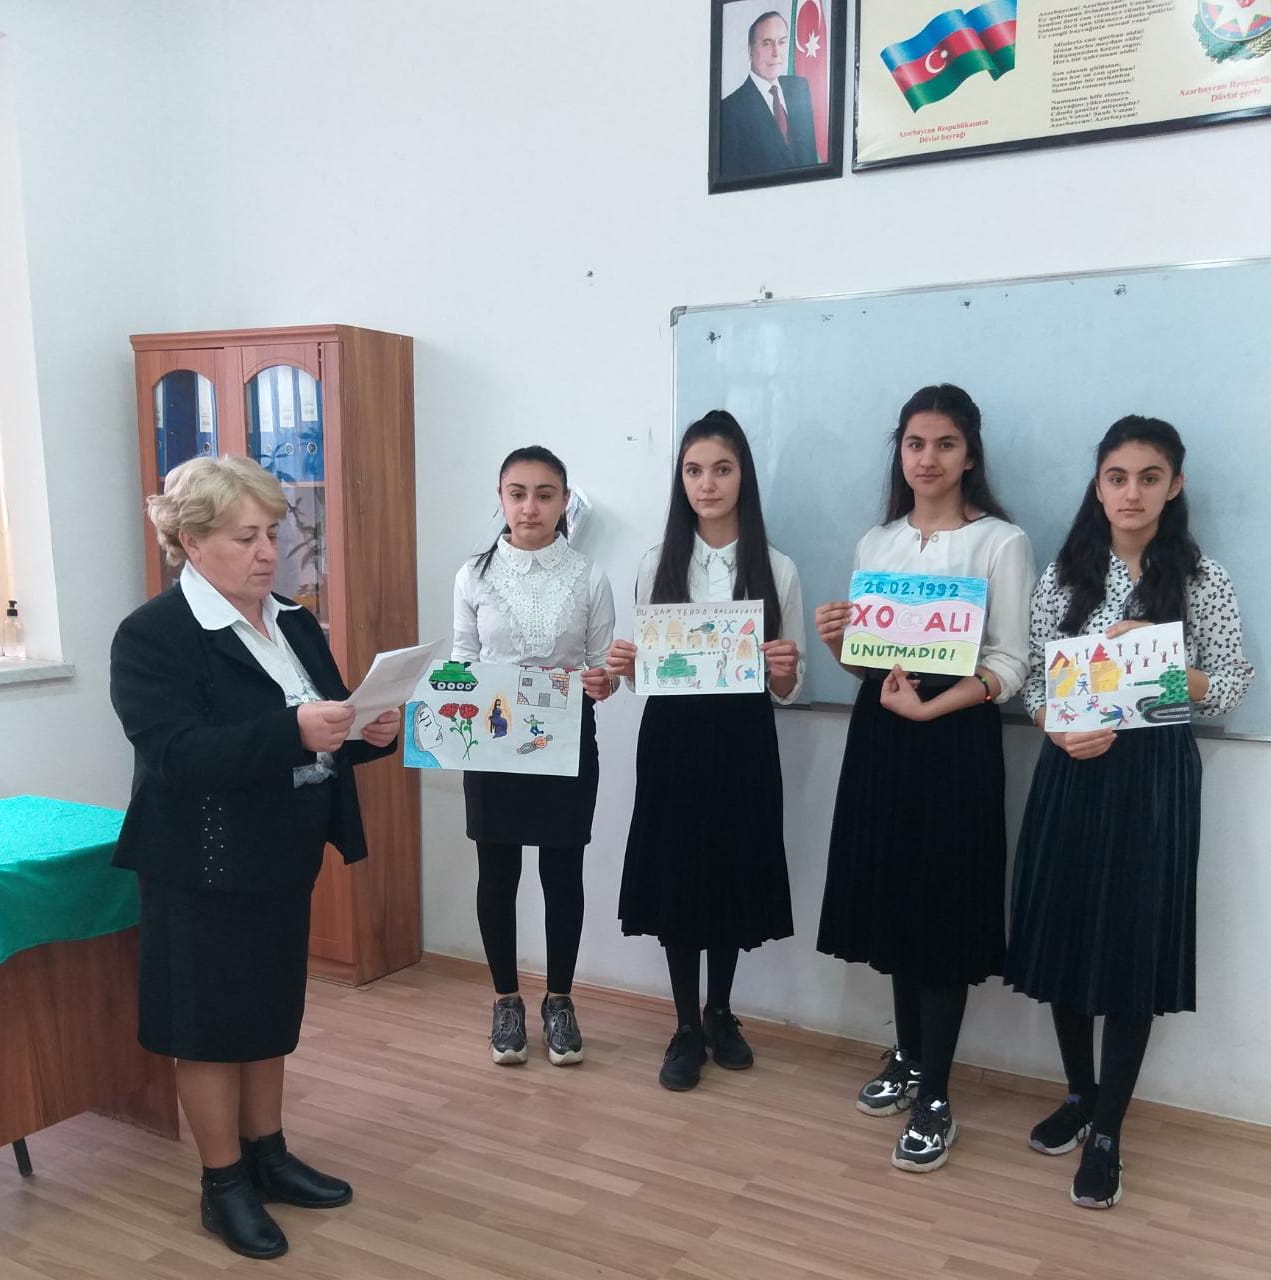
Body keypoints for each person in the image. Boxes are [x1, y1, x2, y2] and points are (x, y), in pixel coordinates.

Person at [109, 456, 400, 1260]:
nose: (269, 551)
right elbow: (177, 754)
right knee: (208, 1028)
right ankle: (223, 1182)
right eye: (246, 537)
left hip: (280, 854)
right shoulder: (153, 636)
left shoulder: (293, 621)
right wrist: (295, 731)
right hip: (199, 863)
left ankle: (267, 1154)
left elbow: (320, 728)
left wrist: (367, 731)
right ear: (190, 541)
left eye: (272, 532)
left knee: (267, 1013)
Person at [1004, 416, 1252, 1210]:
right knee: (1066, 935)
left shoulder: (1201, 578)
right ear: (1098, 485)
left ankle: (1108, 1130)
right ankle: (1079, 1095)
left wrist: (1160, 657)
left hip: (1154, 778)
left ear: (1174, 486)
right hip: (1071, 768)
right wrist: (1055, 727)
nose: (1131, 493)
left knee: (1132, 948)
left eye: (1149, 478)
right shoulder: (1062, 575)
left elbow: (1230, 685)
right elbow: (1033, 683)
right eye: (1117, 477)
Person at [815, 385, 1034, 1172]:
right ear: (899, 452)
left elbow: (1011, 661)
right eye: (914, 443)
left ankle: (936, 1093)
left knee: (942, 910)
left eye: (944, 444)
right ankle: (907, 1058)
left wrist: (933, 708)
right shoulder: (876, 544)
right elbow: (870, 664)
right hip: (883, 737)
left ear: (969, 455)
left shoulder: (1000, 542)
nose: (927, 458)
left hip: (954, 740)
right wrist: (838, 644)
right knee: (895, 900)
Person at [610, 409, 804, 1091]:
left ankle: (721, 1011)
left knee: (730, 873)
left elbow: (788, 688)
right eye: (694, 471)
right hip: (673, 739)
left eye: (721, 469)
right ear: (681, 480)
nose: (707, 483)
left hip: (743, 739)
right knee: (677, 875)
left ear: (742, 476)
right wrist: (626, 666)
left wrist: (784, 667)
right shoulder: (655, 562)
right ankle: (685, 1024)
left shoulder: (776, 567)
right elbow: (644, 678)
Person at [452, 446, 616, 1067]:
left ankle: (560, 1001)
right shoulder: (474, 575)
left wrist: (604, 681)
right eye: (517, 493)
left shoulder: (589, 576)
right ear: (500, 498)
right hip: (494, 743)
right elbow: (464, 658)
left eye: (545, 495)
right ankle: (505, 1001)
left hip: (565, 742)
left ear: (564, 501)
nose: (530, 507)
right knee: (497, 875)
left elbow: (602, 667)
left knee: (562, 875)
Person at [718, 10, 819, 181]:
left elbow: (810, 158)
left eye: (781, 42)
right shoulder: (729, 110)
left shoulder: (800, 88)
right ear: (750, 51)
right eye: (767, 43)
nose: (776, 52)